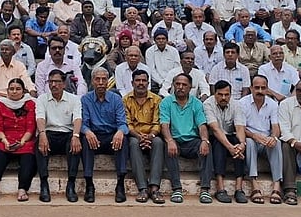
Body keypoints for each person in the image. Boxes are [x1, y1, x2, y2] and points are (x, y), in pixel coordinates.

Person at [160, 73, 213, 204]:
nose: (180, 87)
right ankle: (177, 189)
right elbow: (164, 125)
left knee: (207, 145)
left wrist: (204, 140)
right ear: (173, 85)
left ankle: (205, 189)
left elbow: (202, 125)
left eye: (184, 85)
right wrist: (170, 140)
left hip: (192, 141)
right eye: (177, 84)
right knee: (167, 146)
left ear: (190, 87)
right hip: (175, 140)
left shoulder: (196, 103)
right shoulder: (166, 102)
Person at [80, 67, 130, 203]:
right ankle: (89, 185)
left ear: (108, 81)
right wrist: (87, 131)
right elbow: (83, 123)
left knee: (123, 139)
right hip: (94, 136)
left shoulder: (116, 99)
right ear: (92, 81)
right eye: (97, 79)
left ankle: (120, 184)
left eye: (104, 79)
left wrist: (120, 131)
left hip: (111, 137)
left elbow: (122, 123)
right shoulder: (85, 99)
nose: (101, 82)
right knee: (85, 140)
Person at [35, 69, 83, 203]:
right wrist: (42, 134)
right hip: (49, 133)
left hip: (67, 133)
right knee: (39, 142)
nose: (53, 85)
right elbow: (40, 118)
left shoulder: (74, 99)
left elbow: (77, 118)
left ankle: (71, 184)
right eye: (50, 82)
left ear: (64, 84)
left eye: (57, 81)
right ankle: (44, 184)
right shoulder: (42, 99)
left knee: (75, 144)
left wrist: (76, 135)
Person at [0, 78, 37, 202]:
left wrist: (22, 142)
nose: (14, 92)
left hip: (25, 139)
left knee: (28, 154)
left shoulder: (30, 103)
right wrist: (5, 141)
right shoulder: (0, 104)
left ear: (23, 91)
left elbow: (31, 127)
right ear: (7, 91)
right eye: (11, 89)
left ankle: (22, 189)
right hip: (5, 139)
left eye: (18, 89)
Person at [121, 69, 164, 204]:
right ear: (132, 83)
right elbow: (127, 123)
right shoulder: (125, 100)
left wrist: (150, 136)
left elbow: (157, 122)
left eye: (144, 80)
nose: (141, 83)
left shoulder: (156, 100)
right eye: (138, 80)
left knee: (158, 142)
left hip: (152, 135)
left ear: (148, 83)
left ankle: (154, 188)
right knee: (133, 144)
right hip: (134, 135)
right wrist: (139, 136)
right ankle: (143, 188)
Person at [239, 75, 284, 204]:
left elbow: (275, 126)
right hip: (251, 138)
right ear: (251, 88)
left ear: (267, 89)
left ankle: (276, 185)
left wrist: (273, 137)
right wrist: (254, 136)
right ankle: (254, 184)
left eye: (263, 88)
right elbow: (240, 128)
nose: (259, 91)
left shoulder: (273, 104)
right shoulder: (242, 103)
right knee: (249, 142)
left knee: (277, 143)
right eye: (257, 87)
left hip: (266, 141)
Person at [204, 80, 248, 204]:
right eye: (220, 94)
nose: (223, 97)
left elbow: (240, 127)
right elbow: (215, 129)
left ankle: (239, 189)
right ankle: (220, 188)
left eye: (226, 94)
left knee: (239, 144)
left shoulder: (236, 104)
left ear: (230, 94)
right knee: (219, 144)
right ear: (215, 94)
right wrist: (230, 147)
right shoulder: (208, 104)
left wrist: (242, 144)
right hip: (215, 137)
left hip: (231, 135)